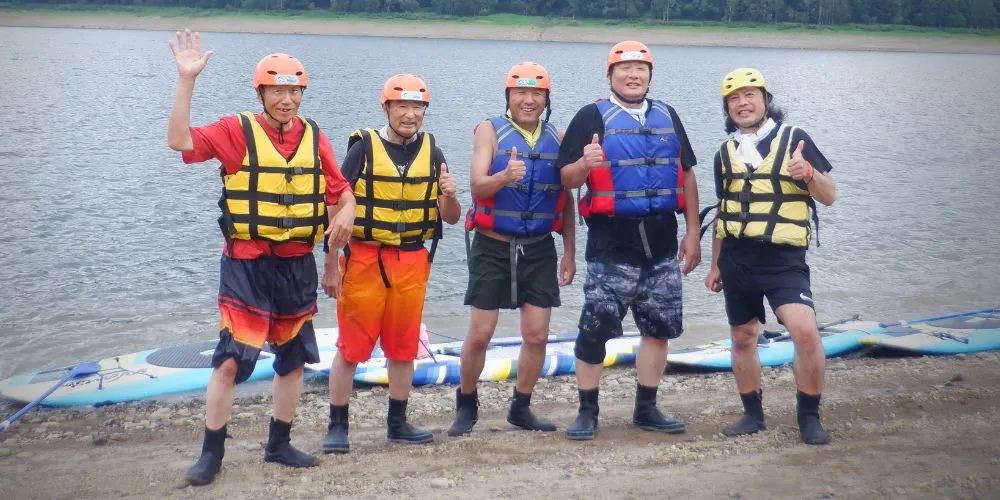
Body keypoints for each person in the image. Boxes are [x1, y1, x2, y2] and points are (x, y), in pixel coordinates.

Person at [166, 30, 356, 485]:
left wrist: (346, 211)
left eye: (294, 91)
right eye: (278, 90)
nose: (287, 100)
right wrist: (186, 80)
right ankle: (212, 452)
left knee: (292, 359)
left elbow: (339, 191)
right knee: (231, 360)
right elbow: (179, 141)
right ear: (262, 93)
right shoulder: (236, 132)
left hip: (295, 264)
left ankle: (279, 443)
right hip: (247, 263)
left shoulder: (315, 137)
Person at [557, 41, 702, 440]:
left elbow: (686, 174)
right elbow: (566, 180)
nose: (633, 75)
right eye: (624, 69)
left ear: (650, 75)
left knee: (658, 330)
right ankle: (587, 411)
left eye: (641, 68)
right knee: (595, 328)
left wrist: (693, 233)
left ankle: (647, 408)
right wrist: (584, 164)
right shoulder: (591, 116)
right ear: (610, 75)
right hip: (611, 246)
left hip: (661, 245)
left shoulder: (667, 115)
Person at [321, 73, 461, 453]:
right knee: (351, 347)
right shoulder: (363, 148)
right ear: (386, 108)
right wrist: (331, 264)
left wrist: (449, 195)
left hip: (413, 259)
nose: (410, 114)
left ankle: (397, 423)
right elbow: (335, 204)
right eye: (402, 106)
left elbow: (450, 217)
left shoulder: (433, 152)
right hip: (364, 257)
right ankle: (337, 426)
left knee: (403, 347)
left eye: (418, 107)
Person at [704, 68, 838, 445]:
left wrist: (809, 172)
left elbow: (829, 195)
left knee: (806, 333)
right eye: (734, 98)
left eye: (750, 95)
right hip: (737, 257)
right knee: (743, 336)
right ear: (727, 108)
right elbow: (723, 211)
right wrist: (715, 264)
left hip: (783, 259)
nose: (742, 103)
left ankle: (809, 416)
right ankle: (752, 414)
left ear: (765, 100)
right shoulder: (724, 153)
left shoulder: (795, 140)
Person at [448, 62, 576, 436]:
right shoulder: (490, 131)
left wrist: (569, 251)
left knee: (536, 334)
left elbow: (565, 200)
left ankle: (521, 406)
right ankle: (466, 404)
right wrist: (504, 177)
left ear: (546, 99)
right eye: (521, 92)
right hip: (493, 245)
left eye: (536, 93)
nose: (528, 100)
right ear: (509, 96)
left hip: (538, 247)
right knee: (481, 333)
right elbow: (476, 186)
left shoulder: (558, 135)